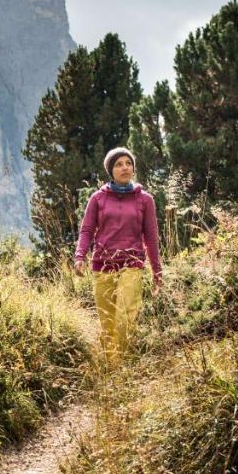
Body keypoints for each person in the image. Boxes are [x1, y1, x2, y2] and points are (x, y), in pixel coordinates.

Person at [73, 147, 162, 362]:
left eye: (128, 163)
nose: (124, 167)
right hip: (102, 265)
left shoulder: (145, 200)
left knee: (125, 316)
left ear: (133, 167)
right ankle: (111, 370)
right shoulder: (97, 198)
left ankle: (124, 365)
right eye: (118, 164)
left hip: (132, 264)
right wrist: (79, 256)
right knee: (107, 321)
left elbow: (151, 237)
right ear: (110, 171)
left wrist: (157, 271)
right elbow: (86, 230)